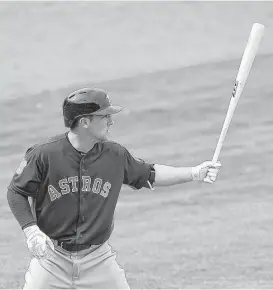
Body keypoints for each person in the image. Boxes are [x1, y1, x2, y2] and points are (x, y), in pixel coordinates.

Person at [7, 87, 221, 289]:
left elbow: (150, 174)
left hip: (98, 259)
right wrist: (31, 230)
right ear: (85, 122)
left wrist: (194, 173)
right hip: (52, 259)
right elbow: (16, 191)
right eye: (104, 116)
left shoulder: (115, 155)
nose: (110, 121)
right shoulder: (44, 155)